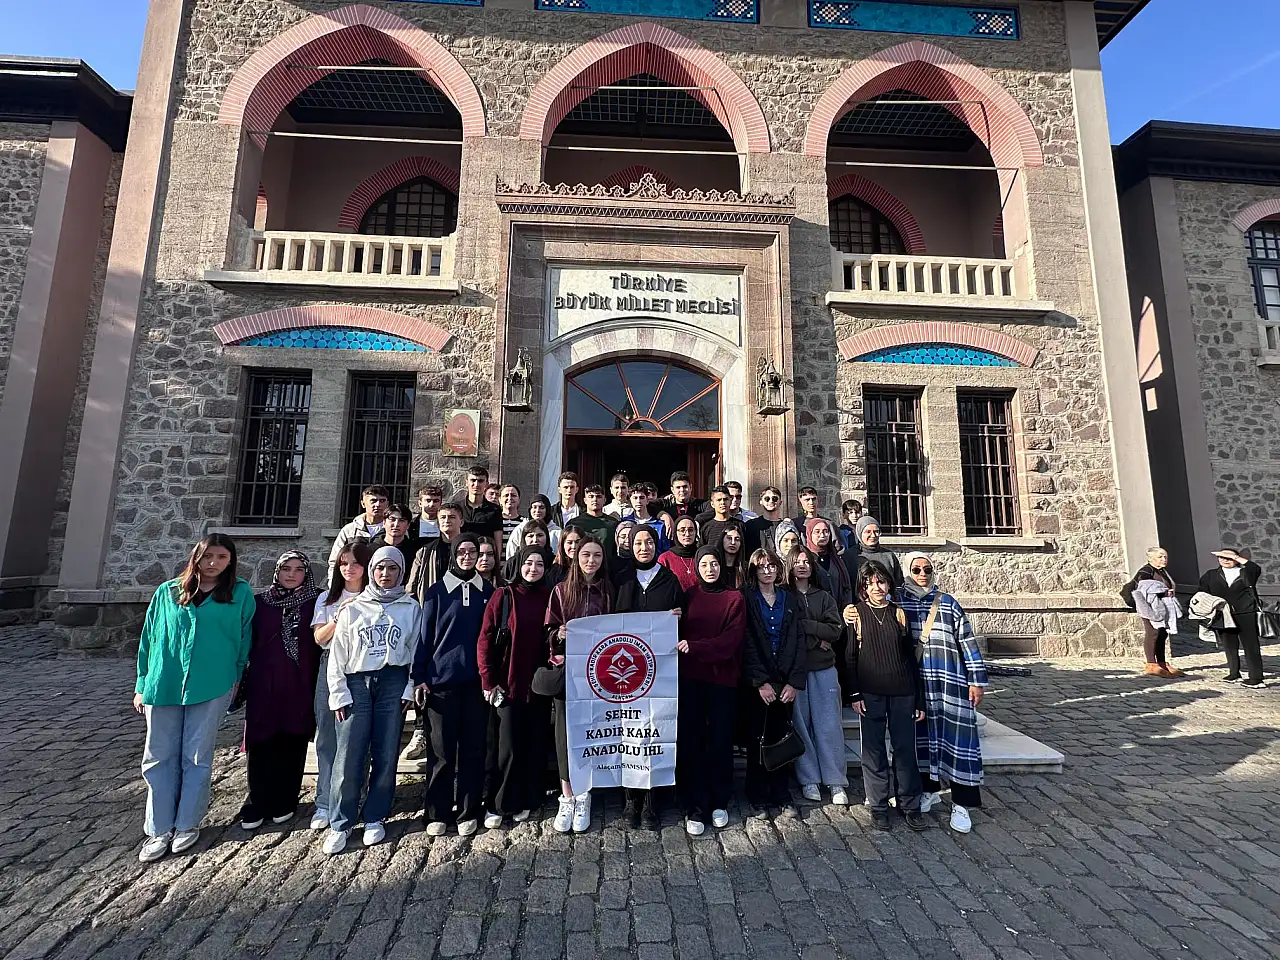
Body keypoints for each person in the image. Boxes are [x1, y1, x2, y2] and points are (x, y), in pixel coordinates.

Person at [134, 534, 255, 863]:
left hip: (211, 683)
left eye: (221, 557)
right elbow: (149, 638)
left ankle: (187, 823)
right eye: (208, 556)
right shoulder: (168, 592)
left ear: (230, 561)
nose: (213, 562)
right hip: (165, 683)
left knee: (197, 756)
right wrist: (142, 683)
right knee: (158, 756)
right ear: (196, 557)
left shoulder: (240, 594)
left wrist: (235, 678)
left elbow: (243, 639)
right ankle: (159, 827)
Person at [322, 546, 421, 855]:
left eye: (392, 568)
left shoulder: (410, 608)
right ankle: (342, 821)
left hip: (393, 680)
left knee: (387, 750)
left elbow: (416, 650)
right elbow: (337, 654)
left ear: (401, 572)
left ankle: (375, 815)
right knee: (349, 752)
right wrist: (338, 692)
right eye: (380, 568)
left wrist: (409, 687)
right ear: (372, 572)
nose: (385, 574)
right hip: (357, 681)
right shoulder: (352, 608)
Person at [898, 552, 988, 834]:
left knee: (958, 740)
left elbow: (967, 642)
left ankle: (962, 802)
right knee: (922, 739)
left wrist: (976, 680)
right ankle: (929, 789)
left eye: (927, 569)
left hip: (950, 682)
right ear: (907, 571)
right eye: (916, 569)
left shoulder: (947, 603)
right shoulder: (899, 603)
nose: (922, 573)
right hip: (919, 686)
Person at [413, 535, 495, 837]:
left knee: (473, 749)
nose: (467, 556)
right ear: (453, 555)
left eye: (472, 552)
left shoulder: (487, 591)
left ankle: (468, 810)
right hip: (440, 682)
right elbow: (425, 636)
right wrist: (419, 675)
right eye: (461, 551)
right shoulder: (436, 592)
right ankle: (436, 811)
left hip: (475, 683)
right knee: (442, 752)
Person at [239, 551, 323, 832]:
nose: (291, 574)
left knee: (293, 740)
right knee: (261, 741)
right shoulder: (260, 603)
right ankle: (257, 800)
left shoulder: (316, 600)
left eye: (298, 570)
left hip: (299, 683)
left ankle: (285, 799)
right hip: (264, 683)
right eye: (286, 568)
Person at [847, 561, 927, 832]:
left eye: (881, 582)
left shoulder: (899, 614)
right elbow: (850, 657)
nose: (876, 588)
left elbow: (910, 658)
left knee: (905, 750)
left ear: (889, 584)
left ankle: (910, 804)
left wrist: (918, 699)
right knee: (874, 751)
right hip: (870, 692)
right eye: (870, 583)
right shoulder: (856, 614)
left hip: (902, 691)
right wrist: (854, 693)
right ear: (863, 588)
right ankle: (879, 805)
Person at [478, 545, 554, 826]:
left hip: (538, 684)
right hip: (507, 683)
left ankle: (527, 799)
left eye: (539, 564)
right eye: (528, 563)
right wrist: (488, 679)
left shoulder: (549, 597)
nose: (533, 569)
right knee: (506, 747)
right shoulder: (504, 596)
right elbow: (485, 639)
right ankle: (498, 804)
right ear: (519, 564)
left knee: (533, 745)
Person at [615, 526, 685, 829]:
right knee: (628, 735)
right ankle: (631, 800)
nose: (643, 547)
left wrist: (679, 618)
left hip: (660, 671)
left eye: (648, 542)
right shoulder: (621, 579)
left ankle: (653, 802)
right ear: (630, 547)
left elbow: (685, 624)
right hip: (627, 675)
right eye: (637, 542)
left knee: (656, 732)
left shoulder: (670, 581)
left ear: (657, 546)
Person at [677, 547, 745, 835]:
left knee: (719, 742)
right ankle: (694, 805)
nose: (710, 569)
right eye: (704, 564)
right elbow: (677, 631)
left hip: (722, 681)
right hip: (691, 680)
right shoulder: (689, 596)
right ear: (697, 567)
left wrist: (697, 648)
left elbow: (730, 641)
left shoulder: (734, 598)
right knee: (692, 742)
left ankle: (720, 801)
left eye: (714, 563)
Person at [545, 539, 612, 833]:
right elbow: (547, 630)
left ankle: (585, 793)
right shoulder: (560, 591)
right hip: (568, 670)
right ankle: (567, 794)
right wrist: (557, 635)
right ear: (575, 557)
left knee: (591, 731)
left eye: (597, 555)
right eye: (586, 554)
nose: (591, 560)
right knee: (564, 735)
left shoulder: (608, 591)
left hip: (597, 675)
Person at [309, 541, 371, 831]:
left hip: (363, 667)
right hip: (331, 663)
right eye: (344, 563)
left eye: (356, 563)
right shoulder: (327, 598)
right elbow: (319, 638)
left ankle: (356, 795)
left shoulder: (375, 595)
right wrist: (339, 616)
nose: (349, 568)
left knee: (359, 737)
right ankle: (325, 801)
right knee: (328, 734)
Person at [781, 546, 848, 807]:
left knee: (829, 725)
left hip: (823, 669)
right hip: (797, 670)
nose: (802, 565)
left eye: (806, 561)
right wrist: (814, 638)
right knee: (802, 725)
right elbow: (787, 633)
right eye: (797, 562)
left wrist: (808, 629)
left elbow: (835, 630)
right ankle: (808, 778)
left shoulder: (824, 596)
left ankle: (835, 780)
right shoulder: (785, 596)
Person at [741, 549, 805, 817]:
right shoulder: (747, 599)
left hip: (785, 679)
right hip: (760, 682)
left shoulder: (788, 599)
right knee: (758, 738)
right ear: (754, 571)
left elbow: (798, 638)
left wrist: (793, 682)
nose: (767, 571)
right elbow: (746, 641)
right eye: (761, 567)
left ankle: (782, 793)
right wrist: (760, 682)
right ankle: (757, 794)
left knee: (783, 736)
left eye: (771, 567)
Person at [403, 502, 462, 763]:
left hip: (461, 621)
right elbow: (412, 587)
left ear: (461, 520)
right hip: (432, 621)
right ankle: (421, 730)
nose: (447, 521)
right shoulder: (425, 553)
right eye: (443, 517)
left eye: (452, 517)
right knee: (426, 674)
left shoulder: (468, 550)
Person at [1199, 548, 1267, 687]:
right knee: (1229, 644)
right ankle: (1234, 673)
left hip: (1245, 612)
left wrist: (1237, 557)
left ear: (1236, 559)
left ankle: (1256, 678)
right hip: (1222, 613)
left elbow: (1255, 568)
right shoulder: (1211, 575)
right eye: (1221, 557)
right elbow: (1202, 593)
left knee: (1251, 645)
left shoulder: (1245, 572)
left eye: (1228, 558)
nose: (1224, 560)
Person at [1131, 547, 1186, 678]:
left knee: (1162, 633)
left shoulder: (1162, 571)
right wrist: (1164, 592)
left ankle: (1161, 662)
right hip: (1150, 608)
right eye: (1160, 557)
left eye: (1165, 557)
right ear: (1151, 558)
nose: (1164, 559)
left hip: (1163, 606)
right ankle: (1151, 664)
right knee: (1152, 633)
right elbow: (1144, 589)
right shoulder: (1146, 571)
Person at [328, 485, 389, 579]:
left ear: (387, 504)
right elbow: (335, 562)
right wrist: (334, 587)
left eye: (382, 501)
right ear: (363, 503)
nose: (378, 505)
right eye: (373, 501)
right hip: (353, 586)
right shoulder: (349, 530)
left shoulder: (393, 530)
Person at [806, 517, 853, 609]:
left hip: (838, 614)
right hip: (815, 614)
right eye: (817, 532)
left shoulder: (836, 559)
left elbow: (846, 587)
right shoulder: (807, 559)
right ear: (809, 534)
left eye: (825, 531)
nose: (822, 535)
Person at [455, 465, 502, 552]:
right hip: (461, 557)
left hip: (483, 558)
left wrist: (497, 563)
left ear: (486, 484)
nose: (476, 484)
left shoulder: (495, 510)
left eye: (480, 481)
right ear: (466, 482)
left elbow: (498, 541)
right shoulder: (457, 508)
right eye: (473, 480)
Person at [567, 484, 618, 559]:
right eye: (591, 496)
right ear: (585, 500)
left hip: (607, 566)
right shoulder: (574, 523)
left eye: (598, 496)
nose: (595, 499)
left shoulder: (613, 523)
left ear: (604, 500)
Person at [855, 516, 902, 588]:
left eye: (876, 531)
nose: (873, 535)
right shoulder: (850, 556)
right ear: (860, 533)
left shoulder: (889, 556)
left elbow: (898, 583)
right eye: (868, 532)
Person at [508, 494, 561, 558]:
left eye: (541, 507)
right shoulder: (520, 529)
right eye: (534, 507)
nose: (537, 510)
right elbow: (511, 552)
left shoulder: (557, 532)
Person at [658, 516, 700, 591]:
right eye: (682, 530)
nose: (687, 534)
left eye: (691, 530)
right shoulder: (665, 558)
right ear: (675, 533)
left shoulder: (702, 556)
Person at [745, 486, 784, 554]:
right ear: (761, 502)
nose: (771, 501)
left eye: (774, 498)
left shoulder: (785, 526)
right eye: (767, 499)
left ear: (780, 502)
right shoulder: (750, 525)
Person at [714, 522, 747, 589]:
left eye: (737, 539)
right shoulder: (715, 566)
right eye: (729, 538)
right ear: (722, 539)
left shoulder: (745, 568)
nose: (733, 542)